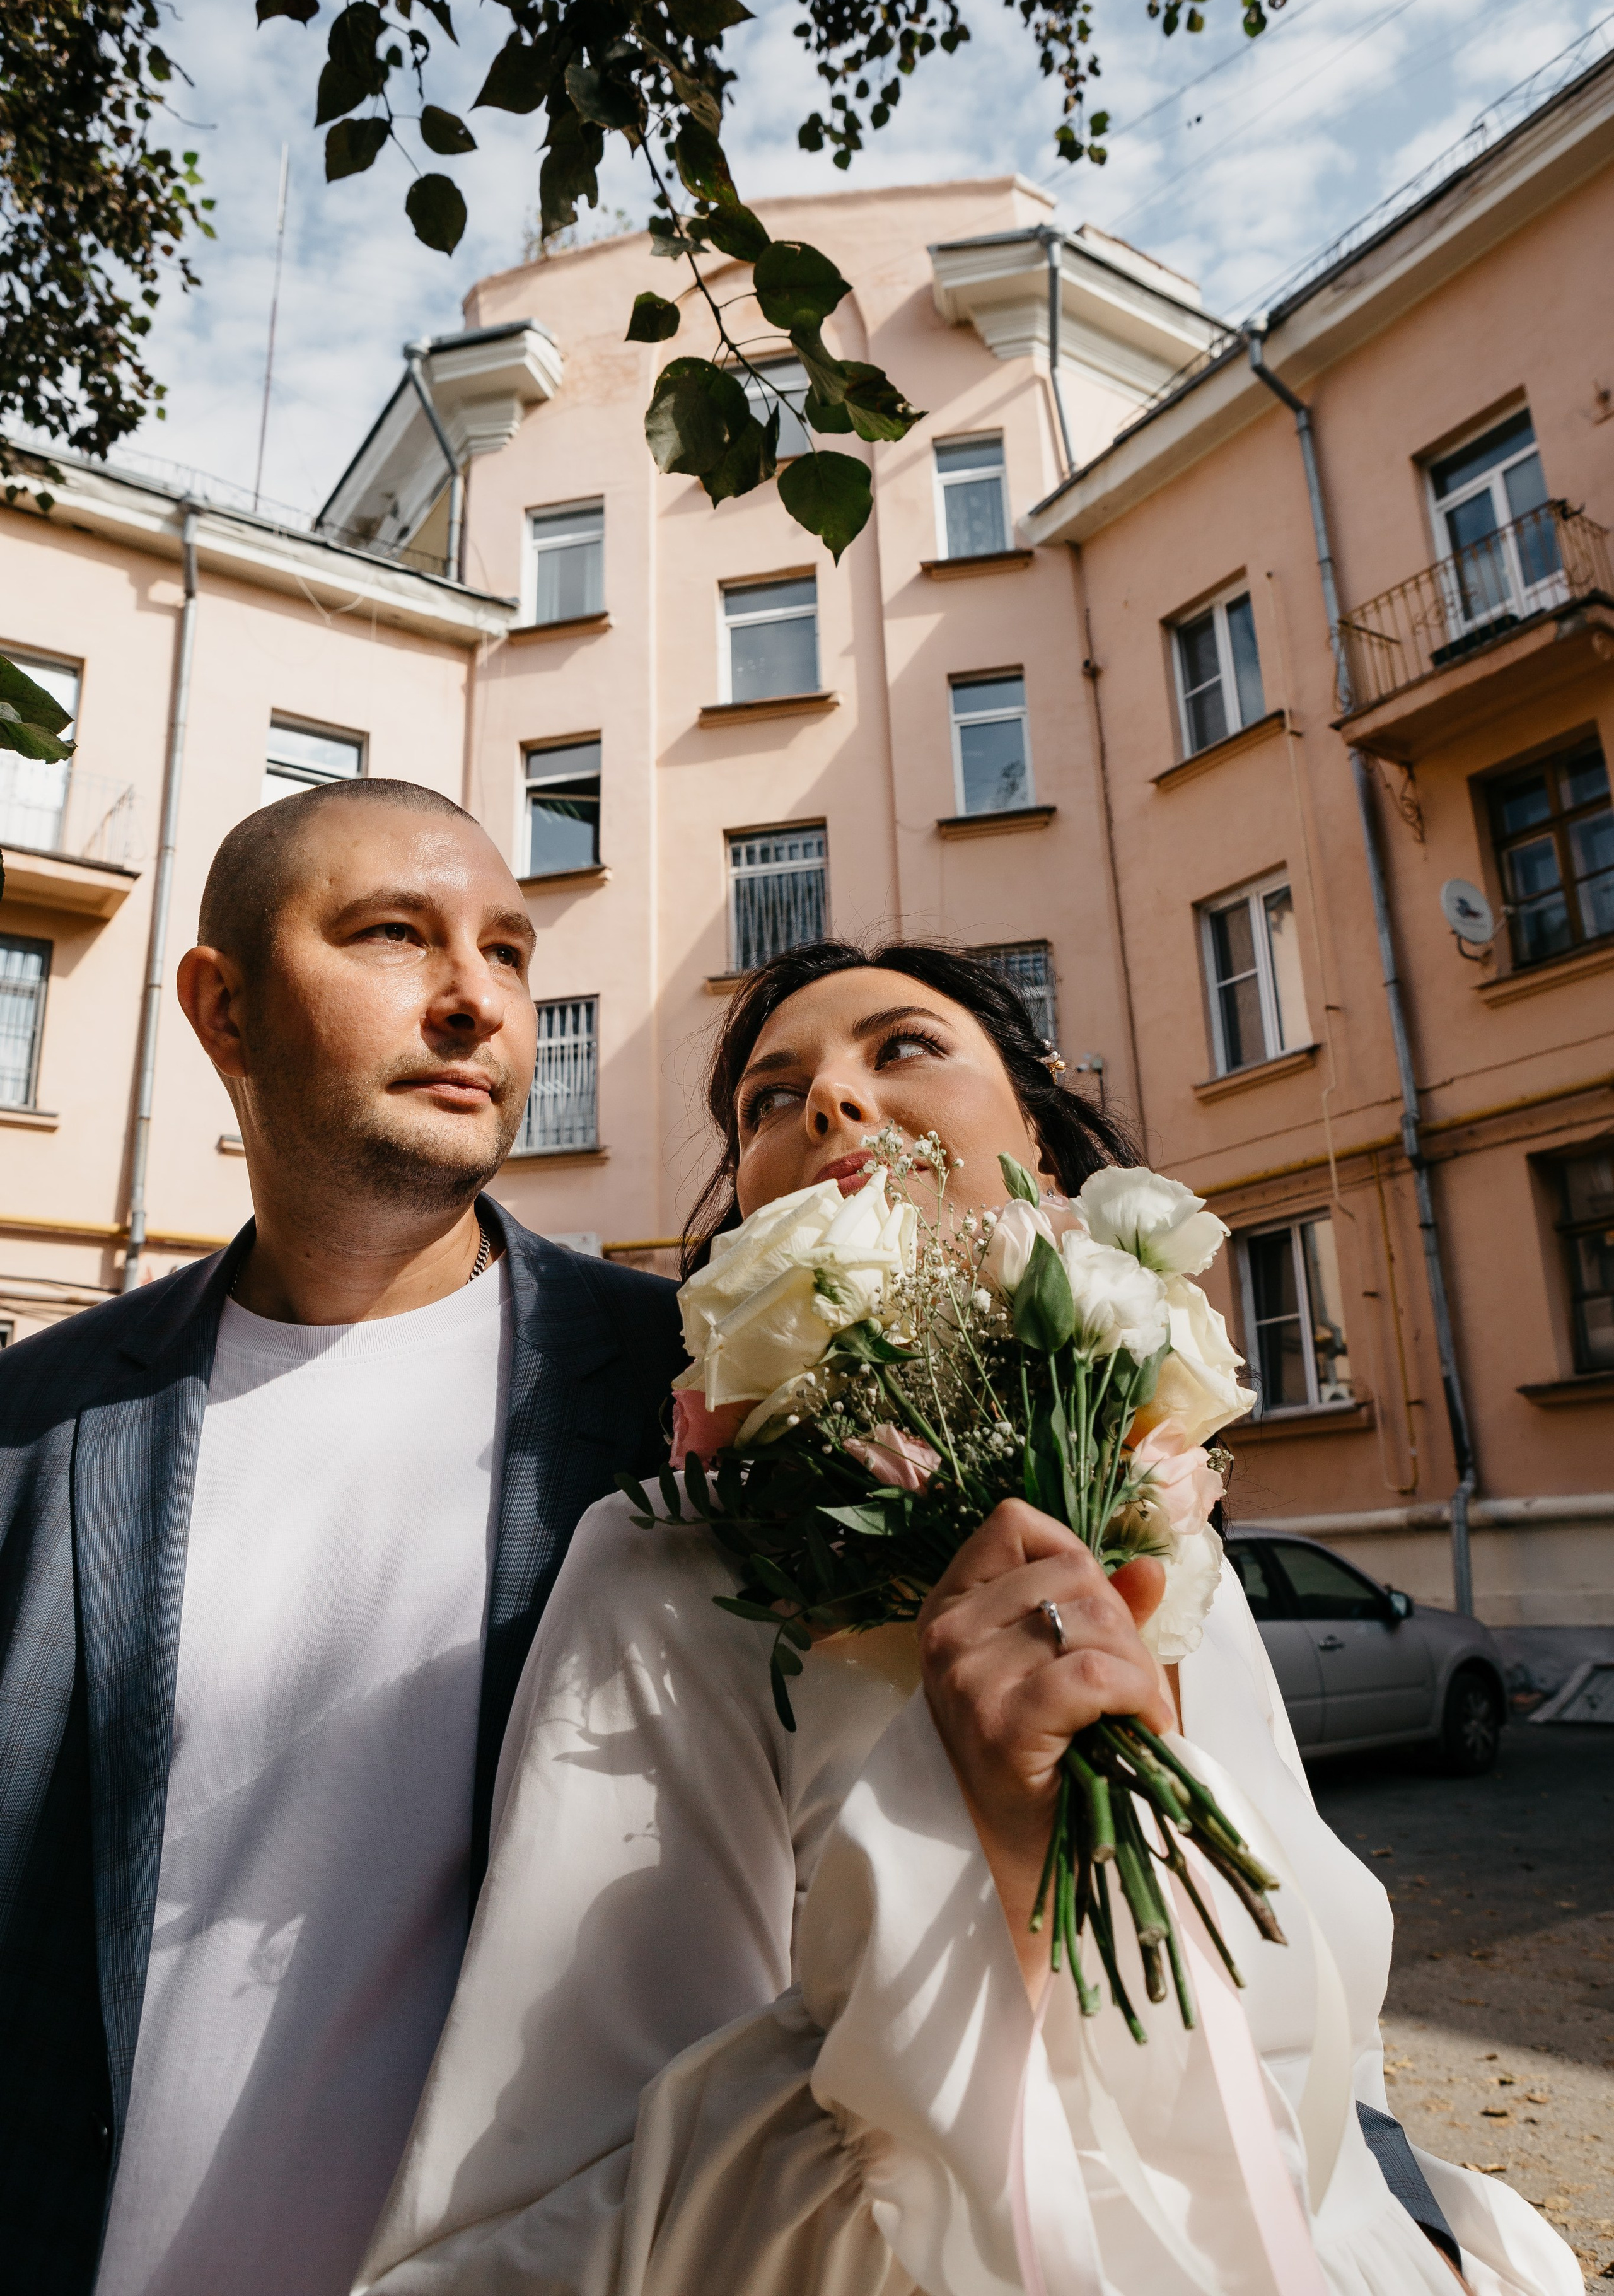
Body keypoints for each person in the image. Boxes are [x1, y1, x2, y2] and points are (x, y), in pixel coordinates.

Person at [356, 940, 1577, 2296]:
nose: (825, 1104)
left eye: (901, 1049)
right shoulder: (673, 1567)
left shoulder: (1164, 1528)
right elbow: (559, 2213)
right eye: (769, 1098)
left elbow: (1310, 2044)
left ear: (1046, 1157)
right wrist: (971, 1863)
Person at [0, 779, 682, 2296]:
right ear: (223, 1012)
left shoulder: (682, 1395)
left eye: (508, 951)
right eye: (394, 935)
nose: (476, 1002)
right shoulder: (33, 1423)